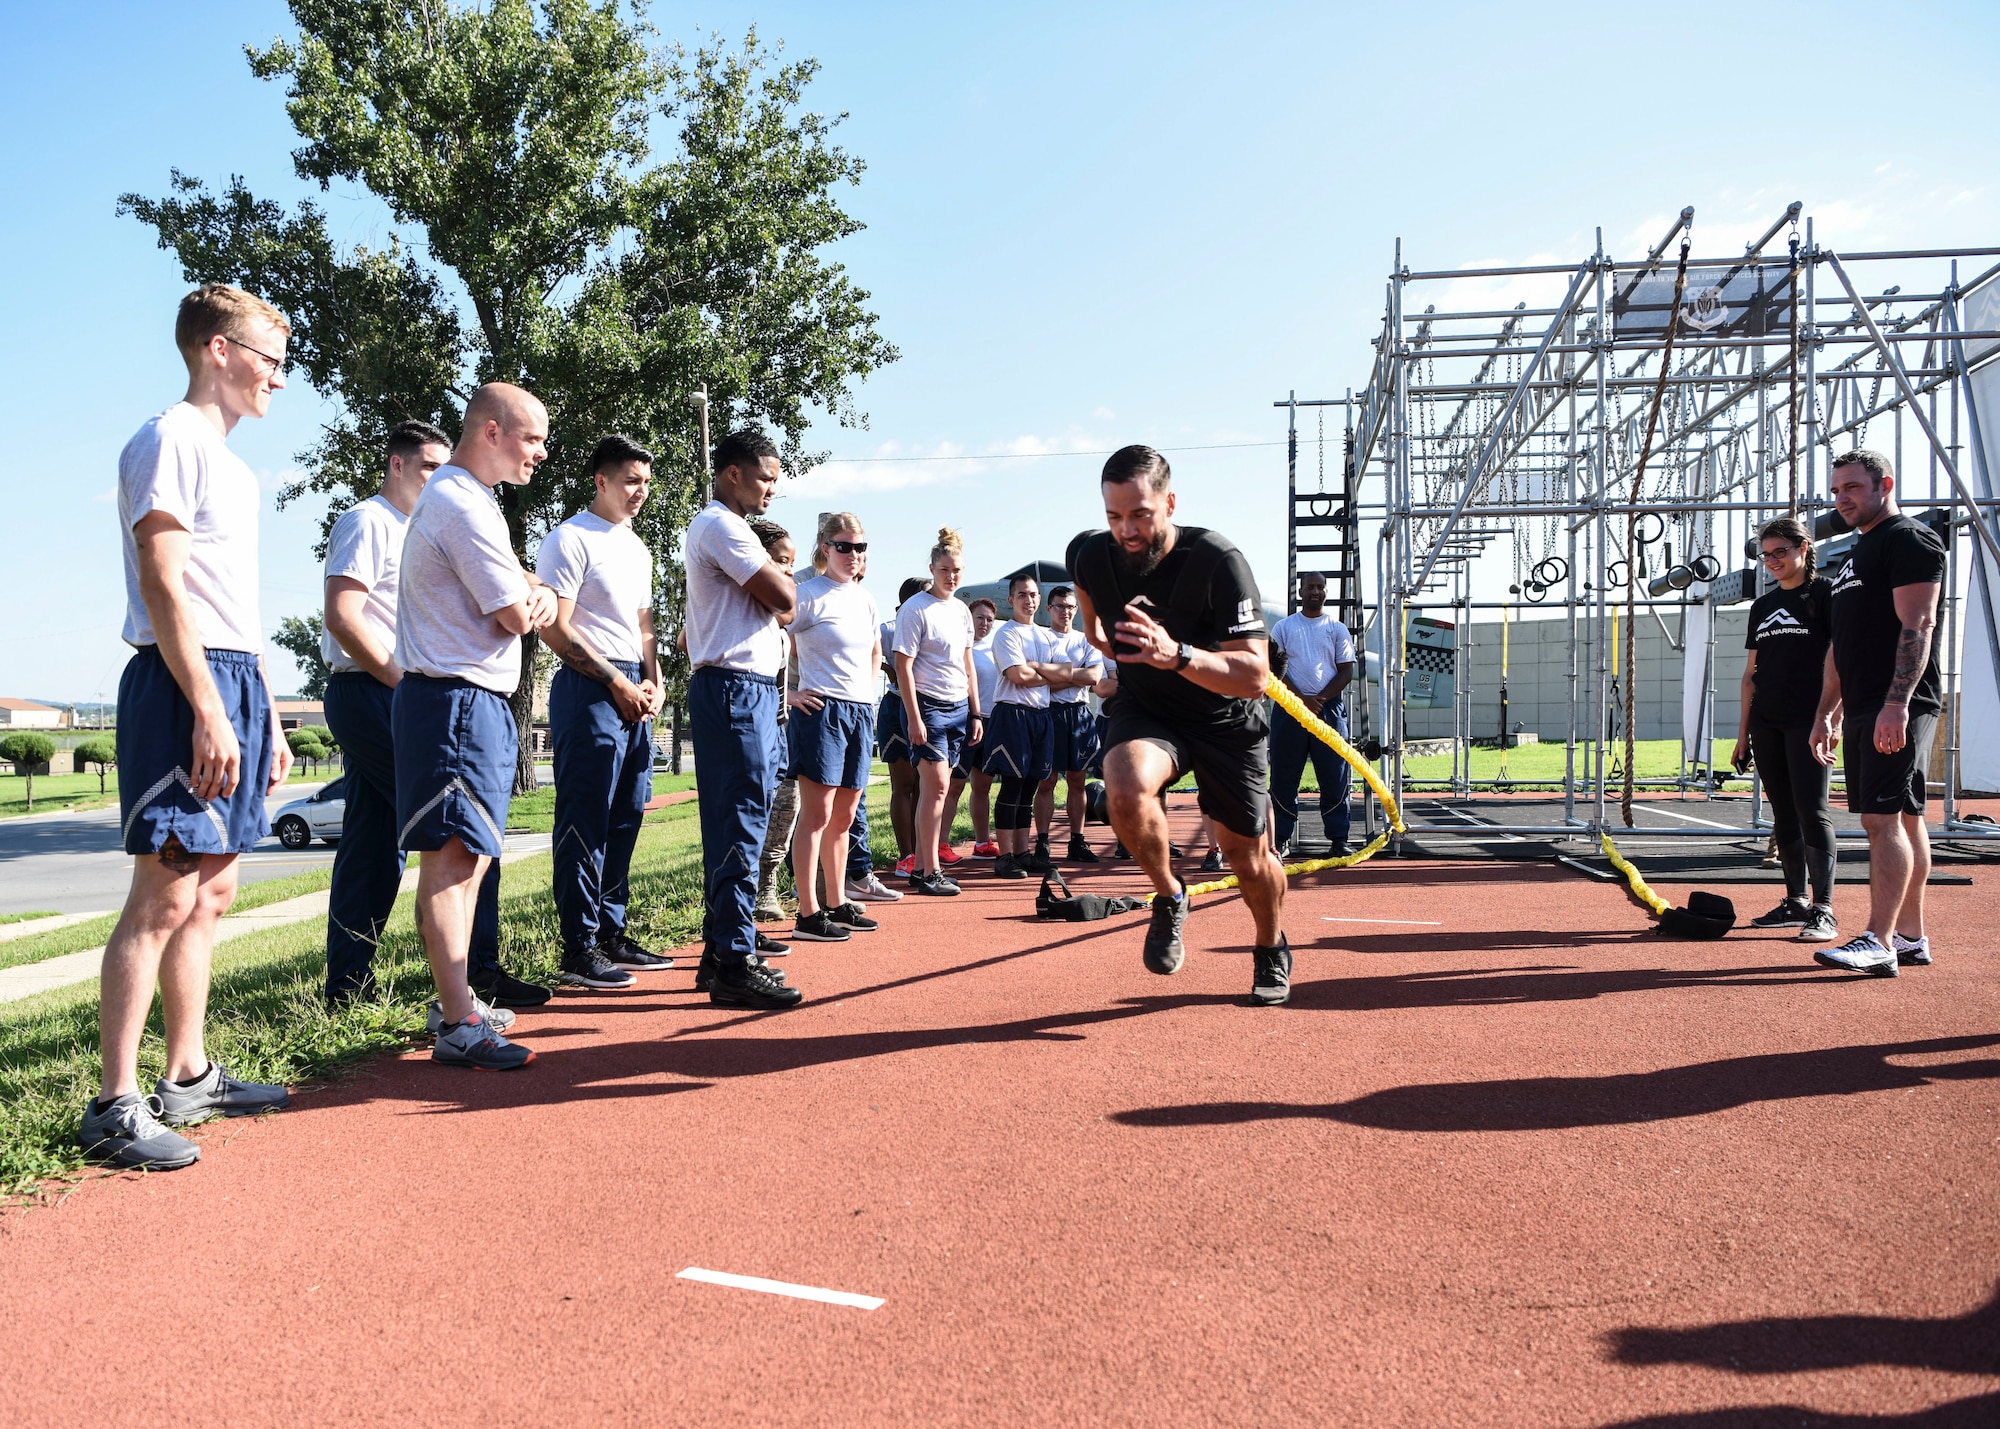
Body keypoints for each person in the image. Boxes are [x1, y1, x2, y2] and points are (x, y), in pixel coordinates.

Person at [82, 283, 297, 1170]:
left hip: (233, 676)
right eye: (269, 359)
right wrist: (208, 706)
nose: (279, 380)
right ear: (217, 348)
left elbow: (230, 604)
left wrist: (269, 713)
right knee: (163, 895)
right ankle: (113, 1104)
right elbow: (164, 581)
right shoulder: (171, 437)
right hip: (182, 685)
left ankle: (189, 1074)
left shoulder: (233, 466)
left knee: (212, 894)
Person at [320, 420, 540, 1018]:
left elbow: (520, 582)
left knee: (374, 840)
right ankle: (475, 980)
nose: (437, 475)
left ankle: (348, 981)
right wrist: (407, 680)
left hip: (403, 688)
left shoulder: (441, 515)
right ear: (395, 464)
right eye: (426, 466)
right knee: (460, 830)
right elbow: (343, 614)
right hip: (376, 688)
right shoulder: (370, 521)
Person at [1067, 445, 1290, 1005]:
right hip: (1150, 709)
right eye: (1114, 516)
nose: (1127, 530)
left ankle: (1270, 946)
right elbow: (1092, 611)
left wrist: (1177, 655)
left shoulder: (1217, 559)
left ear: (1169, 502)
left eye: (1140, 514)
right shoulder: (1093, 556)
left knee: (1246, 856)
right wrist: (1112, 644)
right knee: (1122, 784)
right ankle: (1169, 894)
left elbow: (1255, 676)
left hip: (1223, 716)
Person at [393, 382, 558, 1070]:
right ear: (490, 431)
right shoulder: (462, 502)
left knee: (472, 857)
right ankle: (458, 1019)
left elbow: (519, 589)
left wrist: (533, 588)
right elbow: (514, 614)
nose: (542, 453)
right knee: (455, 861)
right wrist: (537, 595)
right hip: (456, 699)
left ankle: (454, 1000)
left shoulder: (473, 502)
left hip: (470, 699)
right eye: (532, 438)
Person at [536, 434, 675, 990]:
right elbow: (554, 627)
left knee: (627, 814)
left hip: (634, 688)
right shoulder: (569, 539)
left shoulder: (637, 547)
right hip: (588, 686)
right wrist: (617, 681)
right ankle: (579, 946)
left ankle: (612, 931)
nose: (640, 491)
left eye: (645, 482)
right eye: (630, 481)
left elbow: (643, 624)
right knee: (584, 819)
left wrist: (655, 680)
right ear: (601, 481)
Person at [1810, 449, 1948, 976]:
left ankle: (1879, 941)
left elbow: (1919, 625)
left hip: (1898, 704)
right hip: (1866, 703)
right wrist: (1828, 712)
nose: (1842, 498)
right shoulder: (1853, 555)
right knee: (1906, 819)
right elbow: (1843, 645)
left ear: (1884, 484)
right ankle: (1910, 937)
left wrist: (1897, 704)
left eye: (1852, 488)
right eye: (1837, 490)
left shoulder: (1907, 539)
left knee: (1880, 818)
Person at [685, 430, 804, 1007]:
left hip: (746, 691)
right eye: (765, 478)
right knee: (740, 821)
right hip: (735, 690)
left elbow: (781, 596)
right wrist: (781, 587)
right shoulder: (721, 526)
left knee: (744, 820)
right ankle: (734, 959)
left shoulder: (729, 528)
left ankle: (719, 950)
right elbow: (784, 597)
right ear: (731, 473)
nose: (772, 489)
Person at [1732, 516, 1838, 944]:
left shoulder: (1826, 595)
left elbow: (1843, 662)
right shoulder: (1762, 606)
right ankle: (1795, 902)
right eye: (1767, 554)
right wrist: (1743, 735)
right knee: (1783, 813)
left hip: (1809, 719)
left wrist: (1831, 719)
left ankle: (1823, 909)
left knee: (1813, 812)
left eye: (1781, 551)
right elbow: (1750, 676)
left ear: (1803, 549)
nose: (1773, 560)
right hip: (1767, 722)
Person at [785, 512, 884, 941]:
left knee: (844, 816)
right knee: (817, 814)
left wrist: (866, 694)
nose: (853, 555)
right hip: (821, 712)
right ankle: (807, 914)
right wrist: (787, 694)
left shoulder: (865, 598)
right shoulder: (806, 594)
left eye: (860, 547)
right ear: (826, 548)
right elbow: (768, 640)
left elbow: (875, 651)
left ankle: (837, 902)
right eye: (844, 546)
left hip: (860, 711)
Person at [895, 529, 983, 895]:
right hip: (927, 705)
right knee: (937, 788)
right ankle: (928, 869)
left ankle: (923, 867)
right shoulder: (916, 608)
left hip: (958, 708)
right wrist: (914, 717)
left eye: (957, 570)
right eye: (945, 569)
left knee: (940, 790)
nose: (952, 576)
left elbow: (968, 663)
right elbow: (903, 666)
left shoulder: (961, 610)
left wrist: (976, 712)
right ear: (932, 568)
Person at [1268, 572, 1357, 856]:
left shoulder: (1337, 628)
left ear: (1326, 592)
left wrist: (1319, 699)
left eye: (1320, 587)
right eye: (1310, 587)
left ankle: (1338, 839)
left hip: (1327, 709)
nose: (1315, 591)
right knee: (1283, 776)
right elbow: (1274, 668)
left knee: (1334, 775)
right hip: (1290, 708)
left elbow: (1346, 670)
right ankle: (1279, 839)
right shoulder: (1283, 627)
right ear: (1301, 591)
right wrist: (1301, 699)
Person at [985, 574, 1062, 879]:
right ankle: (1004, 856)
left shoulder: (1045, 636)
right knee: (1012, 785)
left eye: (1032, 595)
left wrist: (1039, 672)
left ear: (1038, 599)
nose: (1028, 601)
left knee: (1031, 787)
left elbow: (1063, 676)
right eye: (1021, 596)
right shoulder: (1007, 634)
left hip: (1041, 715)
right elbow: (1017, 675)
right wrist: (1050, 673)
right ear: (1011, 600)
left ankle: (1022, 852)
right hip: (1013, 714)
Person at [751, 520, 802, 939]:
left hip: (780, 725)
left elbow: (788, 612)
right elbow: (686, 640)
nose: (788, 571)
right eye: (781, 562)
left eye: (791, 564)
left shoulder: (779, 618)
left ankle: (767, 882)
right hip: (749, 718)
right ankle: (749, 891)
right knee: (751, 812)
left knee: (786, 805)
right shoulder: (739, 603)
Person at [1037, 584, 1112, 863]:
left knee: (1078, 781)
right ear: (1049, 609)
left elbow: (1094, 675)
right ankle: (1042, 843)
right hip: (1049, 713)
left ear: (1076, 610)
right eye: (1059, 606)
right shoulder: (1041, 639)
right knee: (1047, 781)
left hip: (1078, 713)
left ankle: (1077, 841)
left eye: (1070, 607)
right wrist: (1071, 676)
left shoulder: (1085, 640)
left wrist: (1056, 677)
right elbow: (1039, 683)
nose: (1065, 612)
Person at [880, 576, 927, 878]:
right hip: (897, 707)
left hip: (929, 707)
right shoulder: (888, 629)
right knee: (904, 785)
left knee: (927, 786)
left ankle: (924, 852)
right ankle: (906, 855)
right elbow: (870, 658)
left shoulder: (934, 626)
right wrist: (891, 670)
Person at [956, 597, 1002, 858]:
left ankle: (982, 843)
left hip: (990, 722)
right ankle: (940, 845)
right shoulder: (959, 647)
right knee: (954, 786)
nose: (984, 623)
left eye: (989, 620)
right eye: (979, 618)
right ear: (968, 619)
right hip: (964, 720)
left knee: (983, 787)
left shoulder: (993, 650)